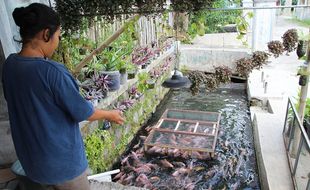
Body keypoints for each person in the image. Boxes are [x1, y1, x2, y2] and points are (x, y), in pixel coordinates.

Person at [2, 3, 124, 190]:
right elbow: (83, 112)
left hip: (32, 165)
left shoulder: (10, 65)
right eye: (58, 36)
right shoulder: (52, 72)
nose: (58, 41)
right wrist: (110, 115)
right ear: (46, 34)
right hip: (63, 167)